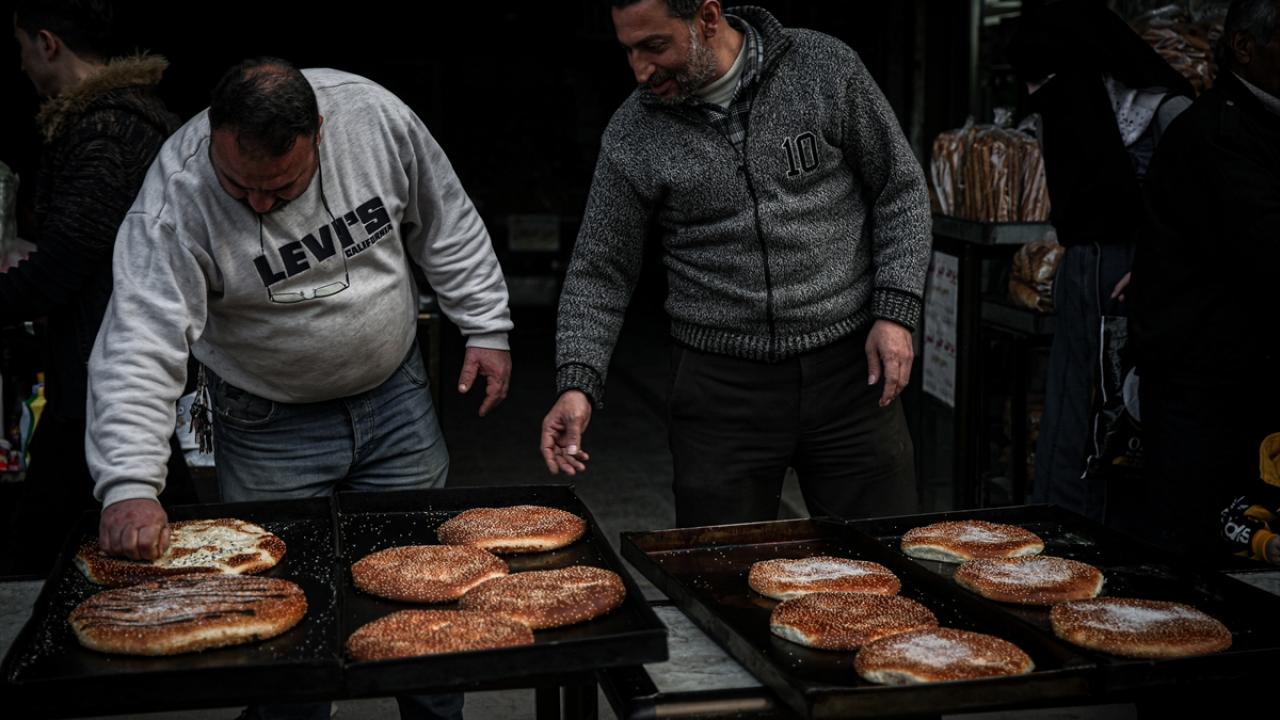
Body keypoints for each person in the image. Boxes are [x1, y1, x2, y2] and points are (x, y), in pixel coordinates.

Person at [86, 58, 512, 720]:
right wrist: (130, 484)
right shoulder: (177, 194)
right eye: (239, 185)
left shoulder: (374, 119)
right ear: (214, 135)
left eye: (281, 187)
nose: (259, 204)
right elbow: (140, 339)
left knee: (429, 591)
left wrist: (485, 324)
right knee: (280, 612)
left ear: (320, 129)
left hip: (393, 396)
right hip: (267, 421)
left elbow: (445, 218)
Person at [540, 0, 931, 527]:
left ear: (707, 19)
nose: (640, 70)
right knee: (718, 564)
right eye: (629, 51)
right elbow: (599, 269)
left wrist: (895, 312)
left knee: (881, 550)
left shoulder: (823, 67)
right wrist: (577, 382)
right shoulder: (633, 131)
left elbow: (899, 190)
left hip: (852, 371)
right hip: (718, 388)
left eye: (655, 46)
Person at [1, 0, 189, 575]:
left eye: (22, 48)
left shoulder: (107, 130)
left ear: (47, 43)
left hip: (104, 370)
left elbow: (64, 265)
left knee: (39, 554)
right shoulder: (131, 116)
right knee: (150, 529)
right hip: (113, 363)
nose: (21, 65)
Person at [1009, 0, 1193, 524]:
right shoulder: (1070, 104)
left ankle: (1099, 535)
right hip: (1083, 274)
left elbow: (1199, 209)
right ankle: (1061, 526)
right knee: (1073, 410)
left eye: (1045, 78)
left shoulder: (1165, 111)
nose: (1036, 93)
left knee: (1117, 417)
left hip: (1137, 282)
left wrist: (1158, 261)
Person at [1129, 0, 1280, 557]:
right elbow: (1266, 250)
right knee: (1202, 556)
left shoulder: (1257, 123)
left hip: (1244, 384)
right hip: (1206, 394)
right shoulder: (1216, 133)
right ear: (1244, 47)